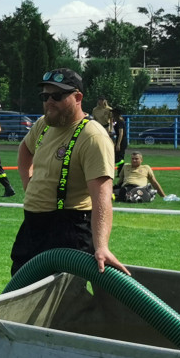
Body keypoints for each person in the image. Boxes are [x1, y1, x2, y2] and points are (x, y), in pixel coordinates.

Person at [10, 68, 129, 276]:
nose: (49, 102)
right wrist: (29, 184)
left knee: (63, 300)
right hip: (33, 226)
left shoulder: (93, 137)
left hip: (68, 228)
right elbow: (24, 150)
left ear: (78, 97)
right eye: (45, 96)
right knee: (21, 293)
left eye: (57, 96)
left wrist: (101, 246)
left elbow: (102, 197)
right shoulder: (43, 124)